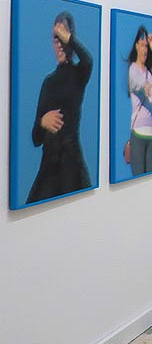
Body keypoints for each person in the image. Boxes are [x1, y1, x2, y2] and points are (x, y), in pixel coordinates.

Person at [27, 11, 94, 203]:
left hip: (71, 164)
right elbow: (36, 138)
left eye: (62, 36)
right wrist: (43, 121)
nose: (59, 43)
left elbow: (88, 60)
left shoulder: (78, 74)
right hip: (49, 165)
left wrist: (67, 37)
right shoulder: (48, 83)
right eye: (55, 38)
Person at [126, 26, 152, 176]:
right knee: (138, 179)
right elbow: (135, 84)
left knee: (150, 180)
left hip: (151, 134)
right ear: (136, 46)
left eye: (146, 47)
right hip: (138, 133)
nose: (145, 50)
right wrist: (145, 87)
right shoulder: (133, 69)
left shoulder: (149, 73)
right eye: (142, 45)